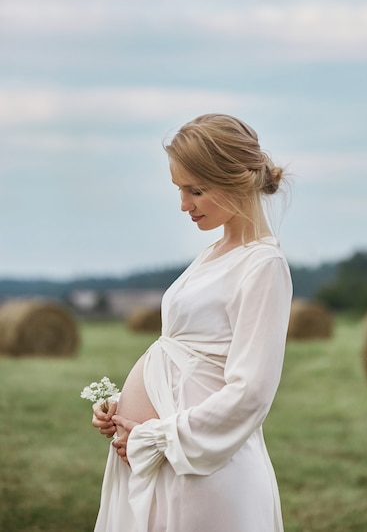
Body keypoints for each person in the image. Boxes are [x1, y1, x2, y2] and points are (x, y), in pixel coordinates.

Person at [91, 113, 293, 532]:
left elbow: (250, 392)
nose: (183, 205)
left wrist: (157, 438)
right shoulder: (214, 252)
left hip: (198, 469)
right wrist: (121, 408)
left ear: (236, 179)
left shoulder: (263, 265)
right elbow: (186, 354)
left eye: (195, 190)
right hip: (160, 457)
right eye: (179, 190)